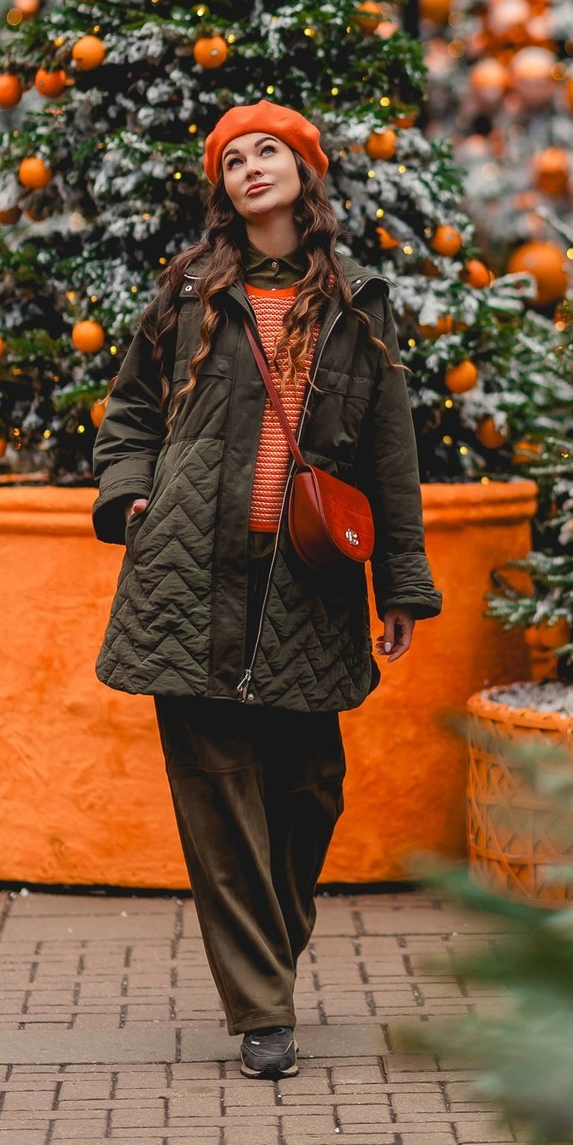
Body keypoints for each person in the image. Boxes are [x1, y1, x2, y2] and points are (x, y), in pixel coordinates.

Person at [90, 100, 442, 1082]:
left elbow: (389, 452)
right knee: (216, 792)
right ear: (221, 188)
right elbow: (126, 415)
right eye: (232, 158)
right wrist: (132, 500)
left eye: (268, 151)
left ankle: (266, 950)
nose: (250, 167)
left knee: (308, 787)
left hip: (309, 576)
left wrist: (399, 582)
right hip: (187, 569)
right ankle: (261, 1008)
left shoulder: (355, 301)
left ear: (303, 170)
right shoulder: (187, 294)